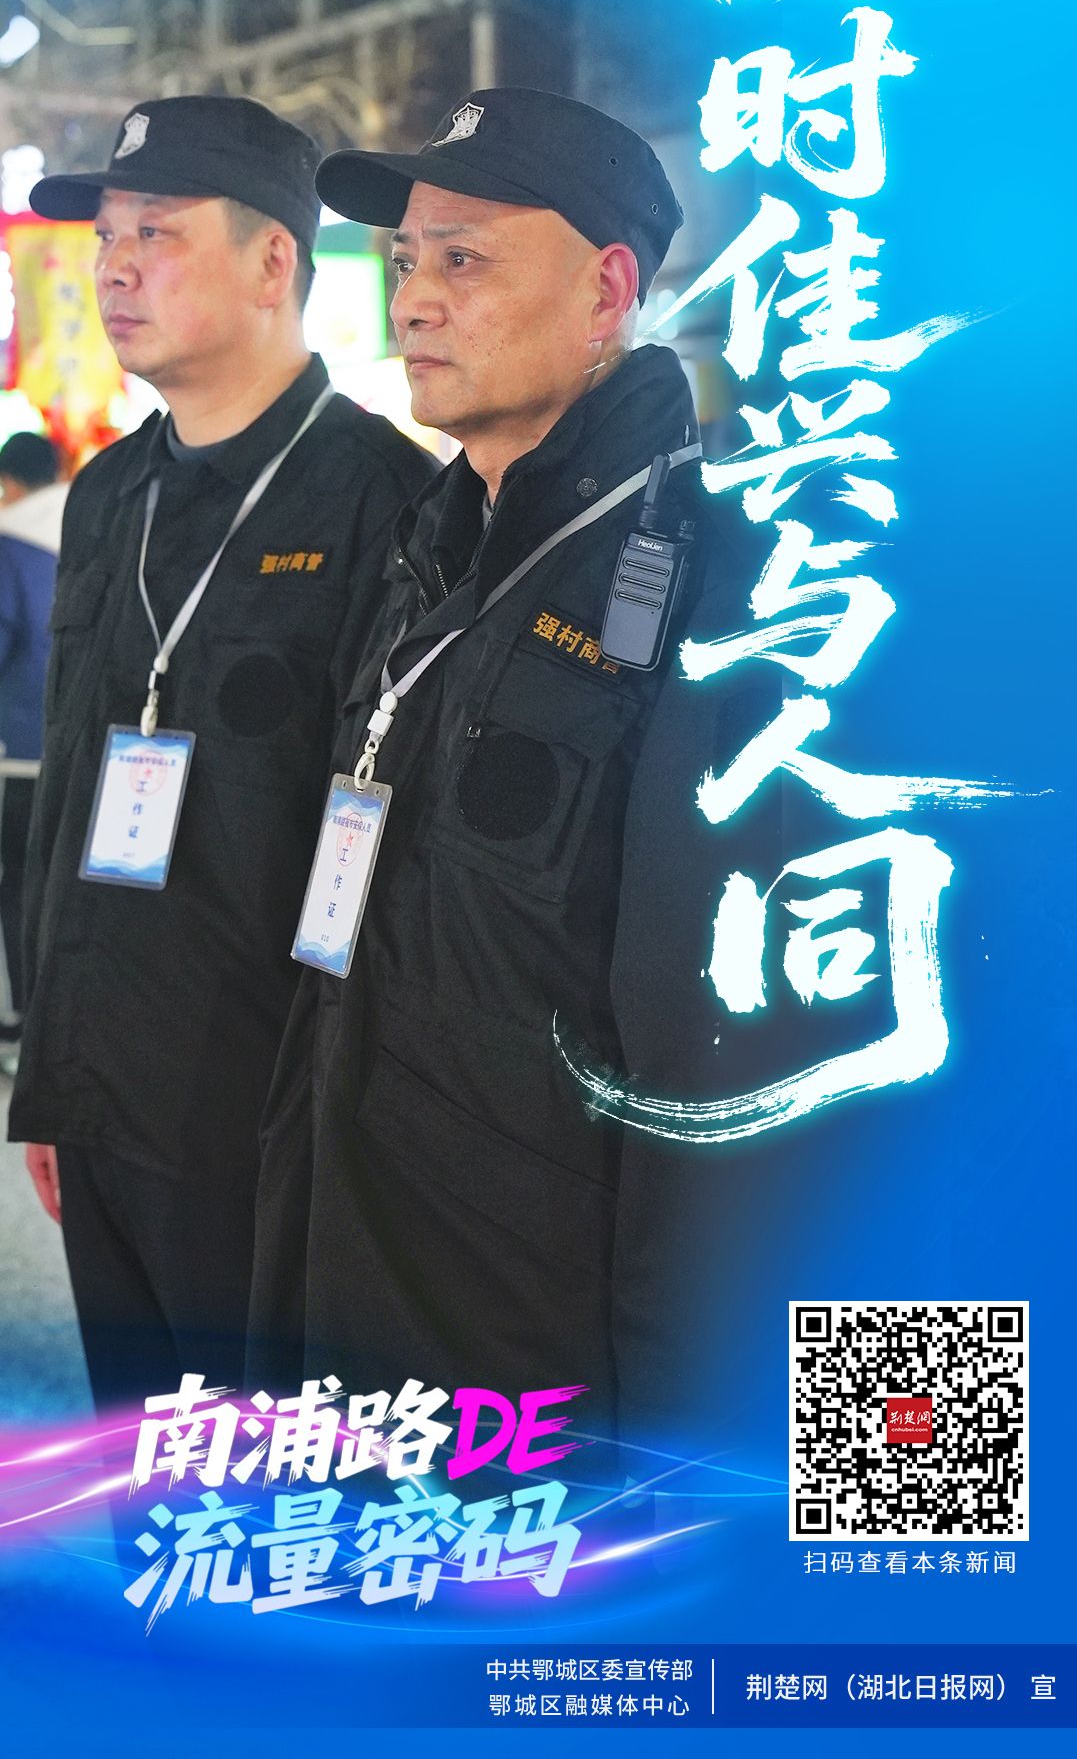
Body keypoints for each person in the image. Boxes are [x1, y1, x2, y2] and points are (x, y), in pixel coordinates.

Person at [249, 88, 782, 1452]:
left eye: (466, 259)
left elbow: (733, 1081)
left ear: (607, 290)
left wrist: (688, 1457)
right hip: (351, 1288)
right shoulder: (429, 555)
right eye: (403, 261)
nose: (413, 301)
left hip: (538, 1360)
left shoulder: (727, 591)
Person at [6, 94, 434, 1410]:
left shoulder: (387, 501)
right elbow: (70, 795)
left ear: (271, 262)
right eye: (106, 237)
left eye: (156, 232)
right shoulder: (110, 497)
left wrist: (344, 1129)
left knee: (263, 1468)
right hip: (102, 1095)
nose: (114, 267)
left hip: (262, 1111)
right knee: (143, 1456)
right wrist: (51, 1079)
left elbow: (396, 849)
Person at [0, 432, 68, 1059]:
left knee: (17, 886)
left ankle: (19, 1022)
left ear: (8, 484)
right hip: (81, 747)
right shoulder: (99, 522)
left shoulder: (9, 544)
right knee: (59, 882)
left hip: (16, 749)